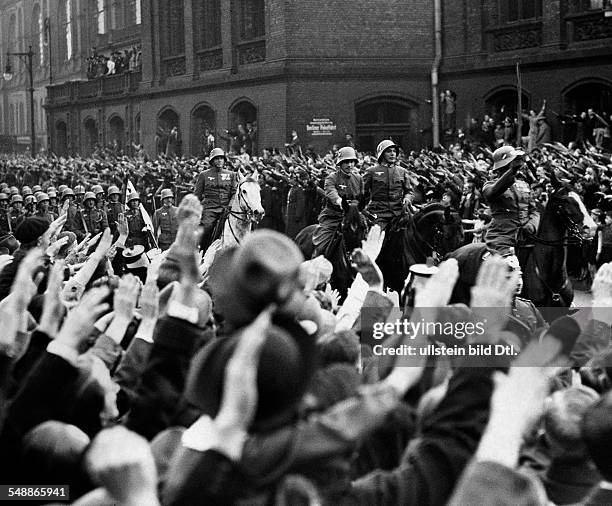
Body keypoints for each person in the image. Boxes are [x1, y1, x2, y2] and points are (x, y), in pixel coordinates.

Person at [483, 145, 540, 268]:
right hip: (502, 237)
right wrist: (512, 171)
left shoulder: (523, 185)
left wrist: (532, 226)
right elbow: (492, 193)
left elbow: (534, 211)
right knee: (510, 272)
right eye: (514, 160)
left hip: (527, 236)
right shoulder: (489, 185)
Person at [312, 147, 364, 256]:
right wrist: (340, 201)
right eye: (346, 162)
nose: (349, 165)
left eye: (351, 162)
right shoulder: (332, 178)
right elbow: (331, 193)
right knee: (321, 247)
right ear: (340, 163)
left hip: (353, 217)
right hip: (333, 216)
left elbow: (361, 197)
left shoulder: (359, 178)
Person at [363, 140, 413, 230]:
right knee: (375, 238)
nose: (392, 154)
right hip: (378, 213)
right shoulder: (371, 171)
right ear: (382, 154)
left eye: (394, 151)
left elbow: (409, 191)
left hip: (399, 212)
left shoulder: (402, 171)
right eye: (389, 151)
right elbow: (363, 193)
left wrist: (407, 198)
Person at [194, 148, 237, 251]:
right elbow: (197, 194)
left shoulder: (231, 174)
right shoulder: (204, 175)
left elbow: (234, 192)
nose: (219, 161)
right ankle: (203, 250)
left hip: (227, 208)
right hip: (210, 208)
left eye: (221, 159)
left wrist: (230, 205)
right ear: (212, 161)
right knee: (206, 227)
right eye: (217, 159)